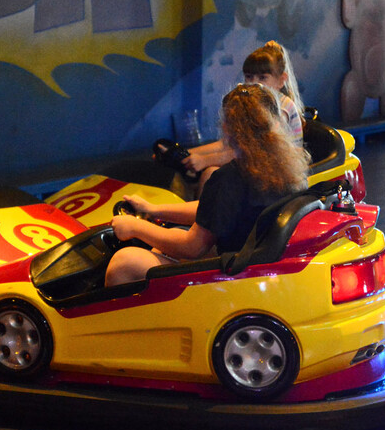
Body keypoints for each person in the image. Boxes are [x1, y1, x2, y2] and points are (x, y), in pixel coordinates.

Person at [106, 83, 310, 286]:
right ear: (275, 122)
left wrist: (136, 227)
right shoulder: (287, 170)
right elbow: (213, 210)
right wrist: (153, 210)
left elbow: (193, 248)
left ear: (227, 128)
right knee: (163, 245)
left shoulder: (231, 177)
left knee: (124, 262)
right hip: (265, 270)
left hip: (238, 279)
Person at [181, 41, 304, 178]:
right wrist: (187, 154)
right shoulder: (253, 106)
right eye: (249, 77)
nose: (253, 83)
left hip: (282, 173)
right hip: (260, 166)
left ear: (281, 80)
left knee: (210, 174)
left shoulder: (282, 107)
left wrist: (205, 160)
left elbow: (255, 150)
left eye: (262, 78)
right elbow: (228, 144)